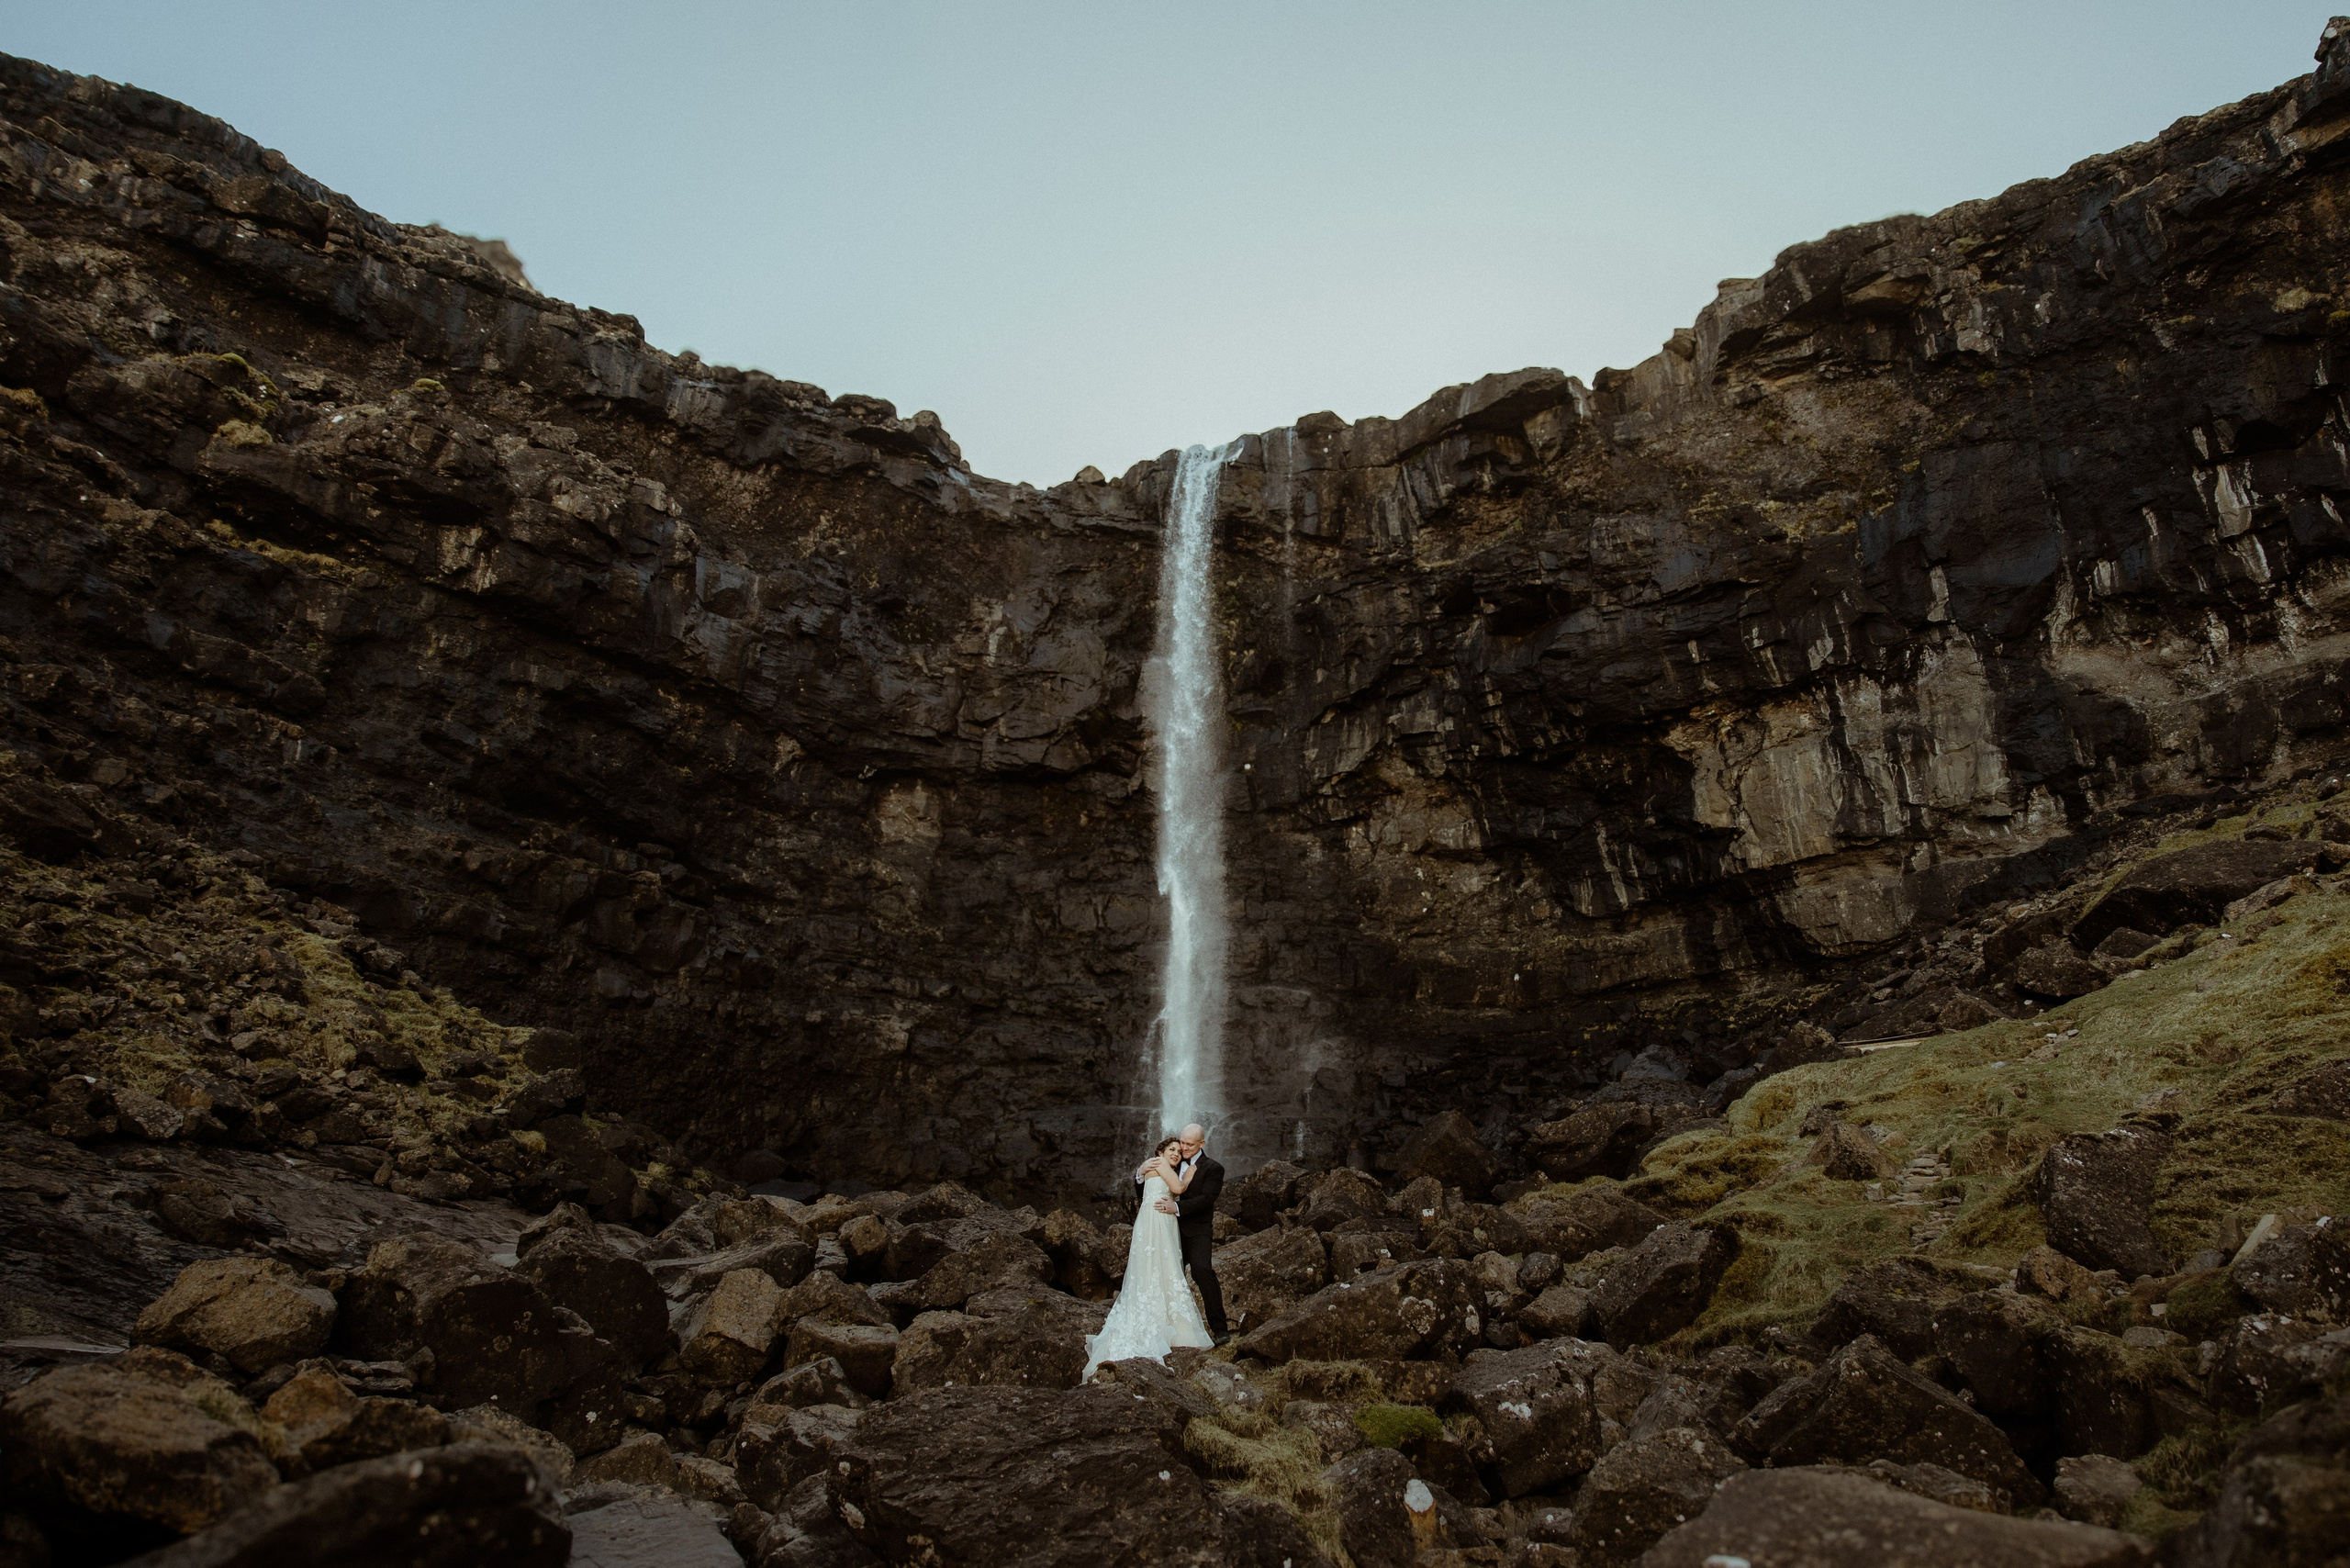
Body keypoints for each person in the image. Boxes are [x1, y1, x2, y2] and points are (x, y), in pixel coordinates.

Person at [1080, 1128, 1222, 1376]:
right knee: (1163, 1273)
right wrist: (1141, 1173)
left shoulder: (1212, 1167)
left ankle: (1220, 1330)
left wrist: (1174, 1203)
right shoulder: (1162, 1164)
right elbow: (1161, 1189)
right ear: (1160, 1152)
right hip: (1161, 1225)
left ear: (1202, 1143)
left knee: (1198, 1271)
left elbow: (1206, 1199)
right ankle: (1171, 1328)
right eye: (1177, 1147)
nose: (1182, 1150)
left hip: (1190, 1229)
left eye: (1186, 1146)